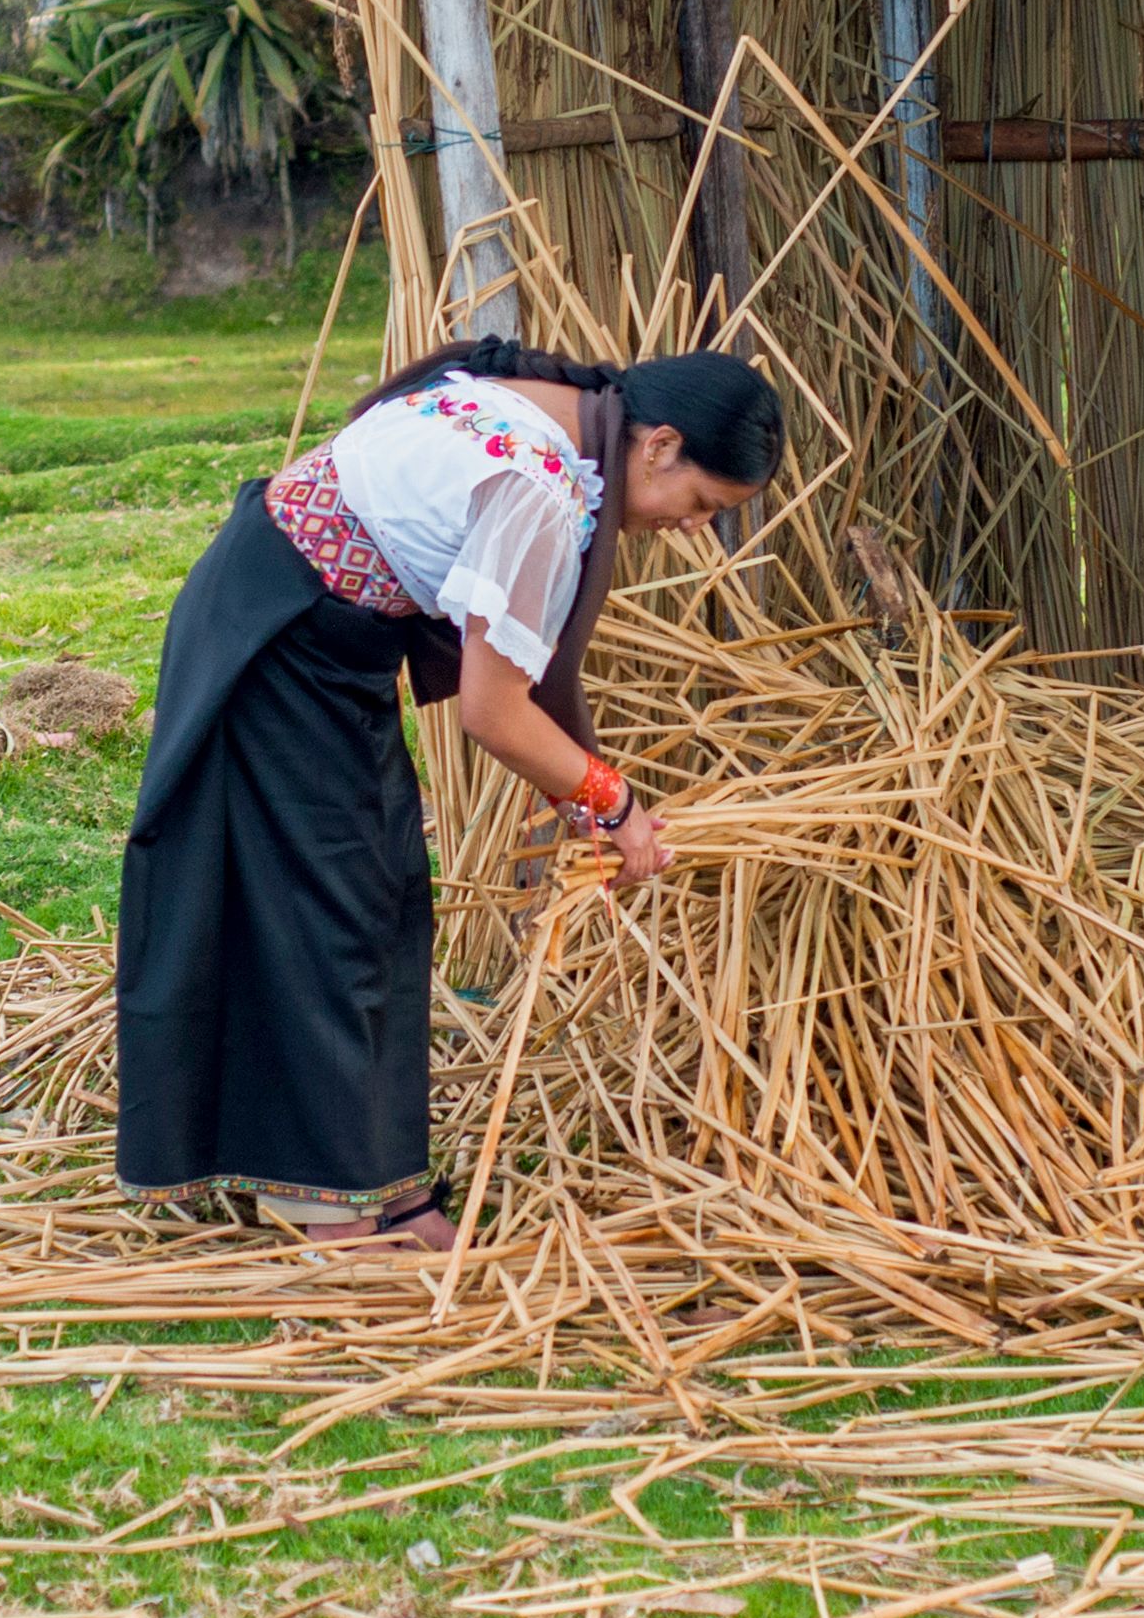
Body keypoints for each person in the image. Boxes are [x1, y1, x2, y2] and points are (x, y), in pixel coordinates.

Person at [117, 337, 785, 1252]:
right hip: (279, 642)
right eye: (703, 503)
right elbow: (493, 712)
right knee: (332, 916)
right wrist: (613, 803)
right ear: (660, 445)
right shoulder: (541, 490)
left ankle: (388, 1191)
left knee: (383, 902)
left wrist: (580, 793)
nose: (693, 527)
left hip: (303, 620)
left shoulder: (543, 404)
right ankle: (335, 1213)